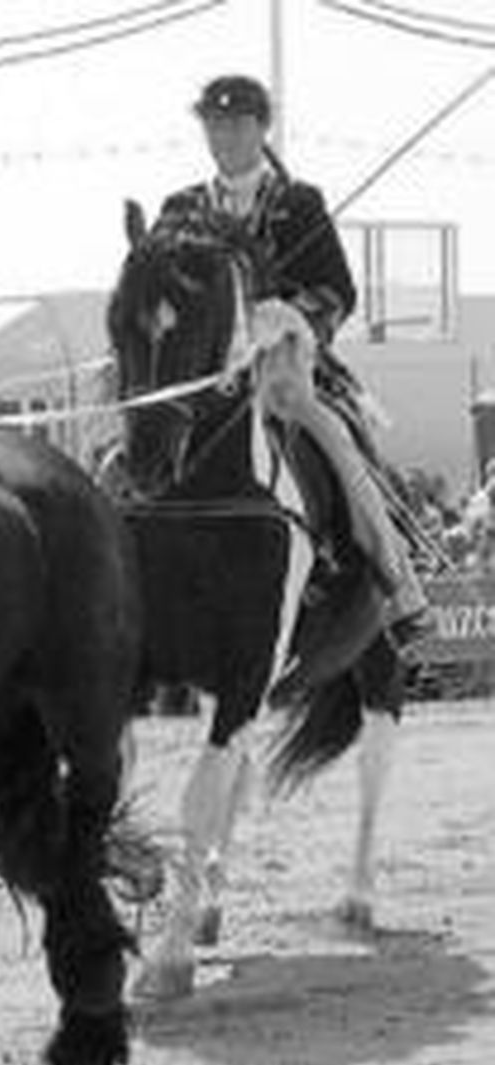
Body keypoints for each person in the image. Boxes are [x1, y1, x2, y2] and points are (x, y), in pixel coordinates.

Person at [156, 73, 428, 642]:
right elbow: (156, 289)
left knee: (334, 437)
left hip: (281, 365)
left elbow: (338, 291)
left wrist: (287, 314)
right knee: (129, 447)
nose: (224, 135)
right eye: (214, 124)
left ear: (262, 128)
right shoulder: (181, 209)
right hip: (199, 373)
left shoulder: (298, 203)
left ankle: (396, 583)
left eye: (236, 123)